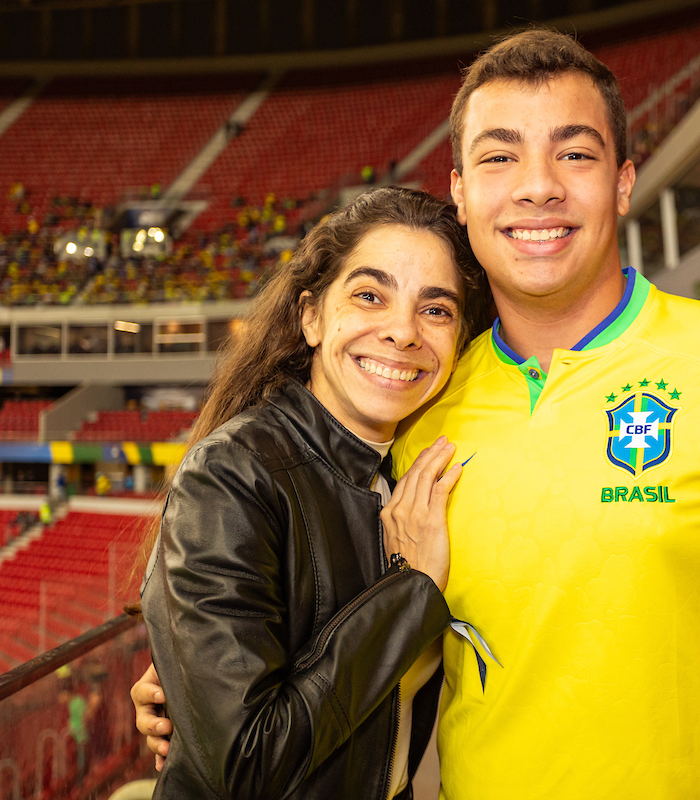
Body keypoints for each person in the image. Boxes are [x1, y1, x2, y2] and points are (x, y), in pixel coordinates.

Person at [136, 29, 700, 799]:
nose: (538, 185)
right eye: (499, 156)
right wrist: (191, 674)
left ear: (624, 179)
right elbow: (331, 603)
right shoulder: (418, 408)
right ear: (460, 192)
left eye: (575, 153)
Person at [136, 187, 491, 799]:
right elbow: (250, 764)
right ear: (311, 318)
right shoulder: (231, 475)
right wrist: (411, 595)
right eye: (369, 296)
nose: (403, 332)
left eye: (436, 310)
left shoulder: (413, 470)